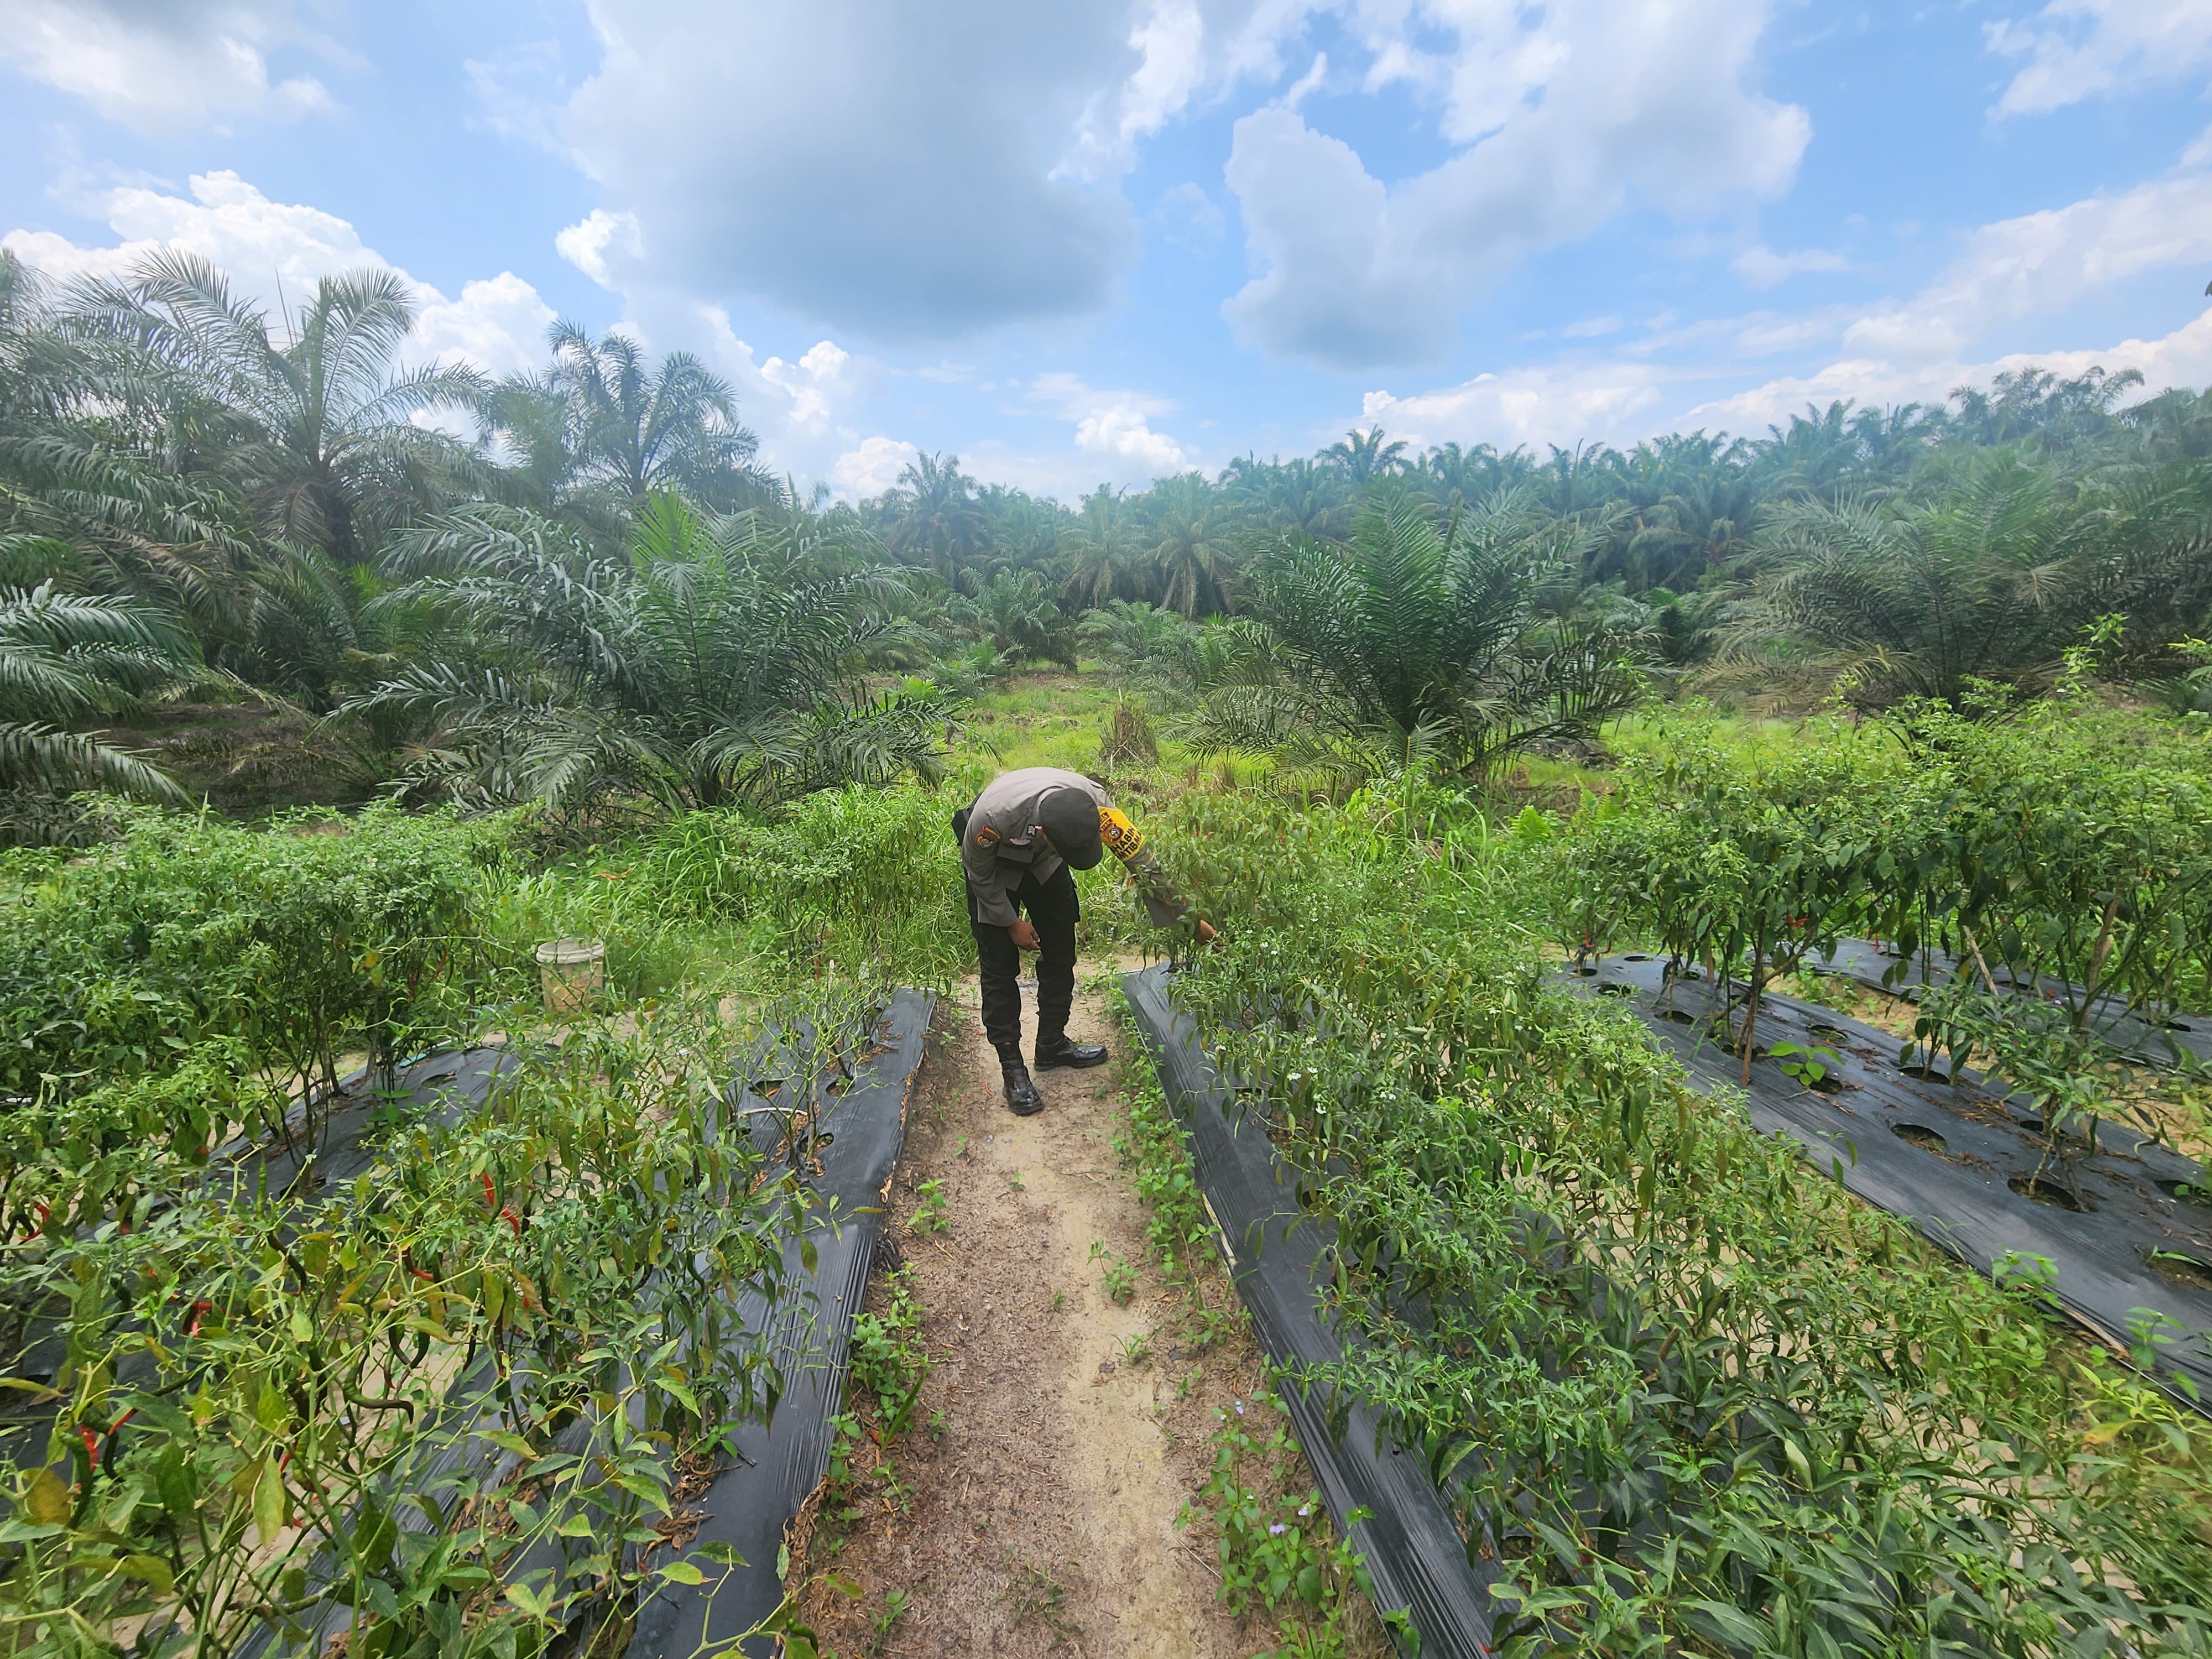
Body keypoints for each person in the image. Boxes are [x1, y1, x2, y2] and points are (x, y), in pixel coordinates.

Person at [954, 766, 1215, 1115]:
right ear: (1045, 832)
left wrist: (1188, 918)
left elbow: (1143, 863)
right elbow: (979, 874)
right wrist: (1012, 922)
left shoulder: (1095, 802)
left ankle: (1052, 1045)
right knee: (999, 967)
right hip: (996, 870)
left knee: (1061, 949)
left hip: (1046, 864)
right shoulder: (992, 817)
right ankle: (1012, 1069)